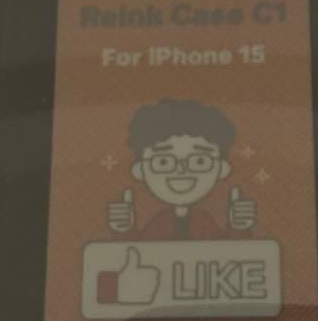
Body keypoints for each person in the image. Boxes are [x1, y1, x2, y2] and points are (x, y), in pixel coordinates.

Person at [106, 98, 256, 239]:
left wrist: (239, 228)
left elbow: (227, 252)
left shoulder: (203, 222)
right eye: (163, 162)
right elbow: (136, 252)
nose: (181, 171)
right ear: (139, 170)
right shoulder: (160, 223)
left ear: (222, 168)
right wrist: (124, 231)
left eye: (199, 161)